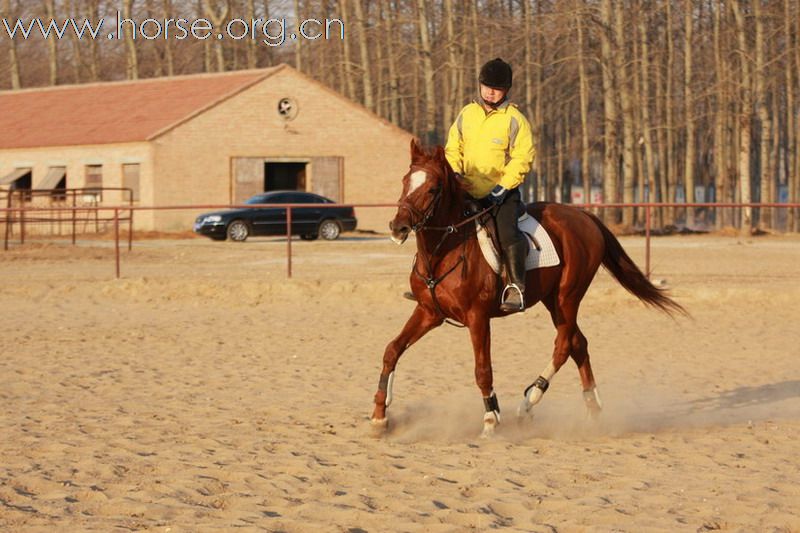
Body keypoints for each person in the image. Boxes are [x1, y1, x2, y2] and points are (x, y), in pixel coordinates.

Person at [445, 58, 535, 312]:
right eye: (486, 86)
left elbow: (523, 157)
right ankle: (428, 282)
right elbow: (453, 148)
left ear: (505, 90)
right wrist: (454, 173)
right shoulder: (467, 113)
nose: (489, 91)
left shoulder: (515, 119)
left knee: (507, 234)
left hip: (501, 194)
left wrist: (503, 186)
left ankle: (517, 287)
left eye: (495, 88)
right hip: (466, 188)